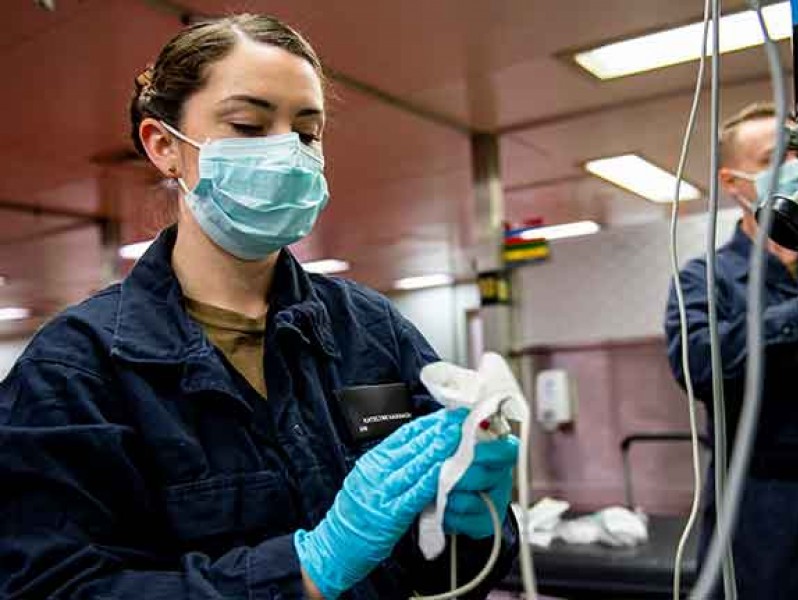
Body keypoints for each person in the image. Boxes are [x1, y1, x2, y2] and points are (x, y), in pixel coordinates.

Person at [0, 14, 519, 600]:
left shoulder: (372, 332)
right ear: (164, 145)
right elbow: (50, 587)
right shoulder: (77, 368)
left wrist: (472, 526)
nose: (287, 155)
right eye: (249, 126)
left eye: (307, 133)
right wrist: (306, 571)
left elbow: (444, 576)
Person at [665, 102, 798, 598]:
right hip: (758, 510)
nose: (793, 166)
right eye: (774, 158)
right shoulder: (705, 279)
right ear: (734, 182)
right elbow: (697, 363)